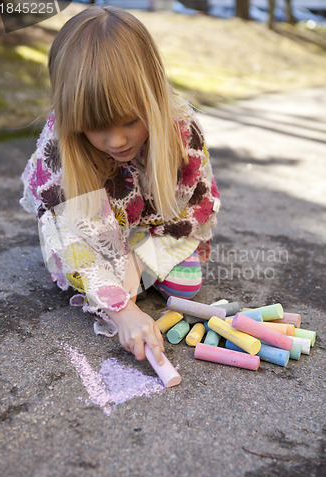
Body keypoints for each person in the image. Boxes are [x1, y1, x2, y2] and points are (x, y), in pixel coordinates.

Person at [20, 6, 220, 367]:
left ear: (153, 97)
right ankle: (122, 261)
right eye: (96, 127)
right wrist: (123, 312)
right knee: (101, 281)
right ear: (72, 118)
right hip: (93, 227)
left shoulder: (181, 130)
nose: (116, 140)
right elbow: (72, 239)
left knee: (186, 285)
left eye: (130, 120)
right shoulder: (60, 154)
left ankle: (136, 251)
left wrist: (143, 253)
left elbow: (195, 205)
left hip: (151, 225)